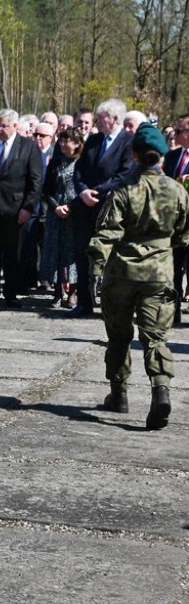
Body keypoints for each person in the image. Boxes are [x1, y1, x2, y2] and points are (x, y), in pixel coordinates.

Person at [90, 123, 189, 430]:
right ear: (161, 155)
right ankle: (161, 391)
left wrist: (96, 269)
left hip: (121, 273)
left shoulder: (123, 190)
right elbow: (184, 236)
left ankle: (118, 395)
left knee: (119, 337)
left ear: (133, 154)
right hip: (158, 274)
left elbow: (105, 233)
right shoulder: (177, 191)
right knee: (155, 337)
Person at [69, 98, 135, 317]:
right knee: (82, 253)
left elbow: (124, 174)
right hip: (85, 207)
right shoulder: (94, 140)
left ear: (115, 119)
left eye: (102, 117)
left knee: (110, 257)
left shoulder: (129, 142)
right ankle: (84, 302)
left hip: (111, 209)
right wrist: (82, 191)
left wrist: (98, 191)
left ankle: (111, 305)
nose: (98, 120)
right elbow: (78, 169)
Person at [0, 108, 44, 309]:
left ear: (15, 125)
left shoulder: (28, 147)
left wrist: (28, 207)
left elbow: (36, 180)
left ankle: (11, 294)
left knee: (14, 254)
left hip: (16, 210)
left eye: (3, 125)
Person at [40, 128, 83, 308]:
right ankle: (57, 292)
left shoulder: (82, 162)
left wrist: (72, 207)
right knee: (55, 251)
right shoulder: (56, 162)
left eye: (68, 141)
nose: (64, 144)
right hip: (56, 211)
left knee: (72, 252)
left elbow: (84, 188)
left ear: (77, 143)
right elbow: (46, 189)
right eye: (62, 141)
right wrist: (55, 206)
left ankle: (73, 292)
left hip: (76, 211)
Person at [162, 114, 189, 324]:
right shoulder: (171, 157)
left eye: (179, 131)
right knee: (174, 268)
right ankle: (174, 310)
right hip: (175, 224)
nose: (175, 135)